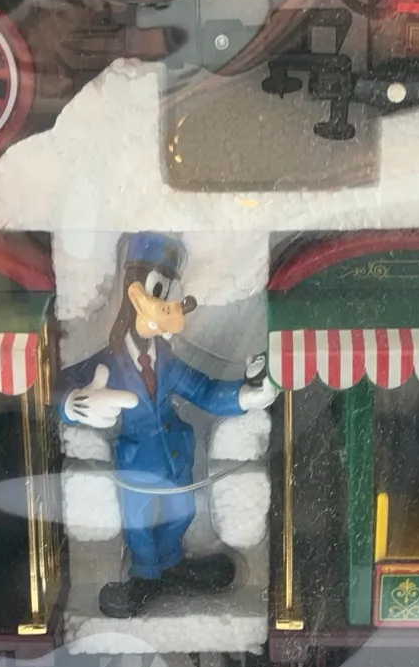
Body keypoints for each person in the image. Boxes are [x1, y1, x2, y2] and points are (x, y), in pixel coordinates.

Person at [60, 233, 279, 618]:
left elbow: (204, 391)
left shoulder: (167, 362)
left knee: (182, 510)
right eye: (160, 294)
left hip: (175, 454)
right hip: (136, 461)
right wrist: (71, 404)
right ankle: (146, 574)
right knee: (138, 523)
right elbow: (55, 388)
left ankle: (172, 562)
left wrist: (245, 396)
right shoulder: (107, 364)